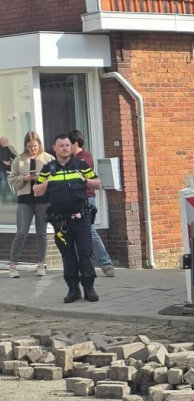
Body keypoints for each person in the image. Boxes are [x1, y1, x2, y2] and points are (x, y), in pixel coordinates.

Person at [33, 134, 102, 303]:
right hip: (60, 221)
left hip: (81, 217)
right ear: (54, 148)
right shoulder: (48, 168)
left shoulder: (80, 165)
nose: (65, 148)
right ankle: (73, 289)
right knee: (68, 256)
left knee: (85, 253)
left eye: (67, 145)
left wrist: (84, 179)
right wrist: (48, 182)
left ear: (71, 147)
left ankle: (89, 288)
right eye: (61, 145)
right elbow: (36, 191)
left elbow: (98, 184)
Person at [69, 130, 115, 277]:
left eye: (69, 144)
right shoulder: (72, 158)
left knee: (90, 231)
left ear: (75, 143)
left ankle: (106, 263)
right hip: (73, 199)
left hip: (86, 198)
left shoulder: (85, 156)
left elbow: (79, 173)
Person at [7, 132, 53, 278]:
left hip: (43, 200)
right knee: (21, 232)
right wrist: (24, 178)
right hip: (24, 200)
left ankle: (41, 264)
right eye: (29, 146)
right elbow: (11, 179)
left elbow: (54, 177)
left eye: (35, 146)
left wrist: (42, 178)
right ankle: (13, 265)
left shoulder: (48, 158)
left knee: (42, 233)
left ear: (39, 144)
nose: (33, 149)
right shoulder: (19, 160)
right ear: (25, 146)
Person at [0, 137, 17, 204]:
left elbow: (12, 155)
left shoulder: (7, 148)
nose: (5, 142)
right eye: (3, 141)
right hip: (1, 168)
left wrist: (17, 159)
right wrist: (4, 162)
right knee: (4, 181)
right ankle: (4, 198)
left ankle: (14, 197)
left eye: (5, 141)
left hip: (7, 168)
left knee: (13, 180)